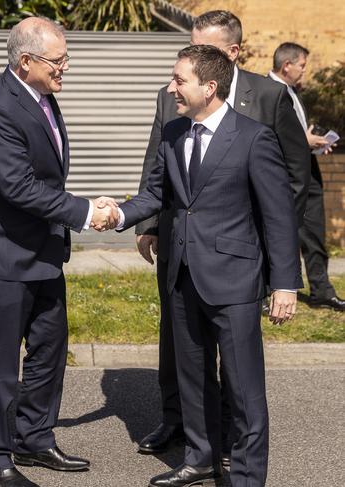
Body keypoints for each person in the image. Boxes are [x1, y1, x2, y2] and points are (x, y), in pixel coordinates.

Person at [117, 44, 301, 487]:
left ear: (210, 86)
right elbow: (155, 194)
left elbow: (278, 216)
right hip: (181, 275)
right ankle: (200, 458)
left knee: (243, 390)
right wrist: (120, 215)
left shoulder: (254, 138)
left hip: (235, 281)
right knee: (193, 380)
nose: (171, 88)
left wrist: (285, 285)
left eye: (179, 80)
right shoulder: (173, 132)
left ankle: (246, 476)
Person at [0, 16, 117, 487]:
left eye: (66, 57)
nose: (66, 67)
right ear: (26, 61)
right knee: (2, 361)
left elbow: (45, 178)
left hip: (42, 249)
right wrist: (86, 212)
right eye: (58, 60)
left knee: (49, 348)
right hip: (4, 253)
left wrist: (82, 209)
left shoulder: (40, 97)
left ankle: (35, 438)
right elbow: (18, 187)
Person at [270, 42, 345, 311]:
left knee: (314, 234)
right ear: (286, 65)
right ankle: (270, 292)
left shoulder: (293, 92)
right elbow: (265, 133)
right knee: (279, 235)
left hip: (308, 173)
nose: (305, 71)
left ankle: (321, 290)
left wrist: (314, 141)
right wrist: (304, 140)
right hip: (283, 177)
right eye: (302, 65)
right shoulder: (265, 92)